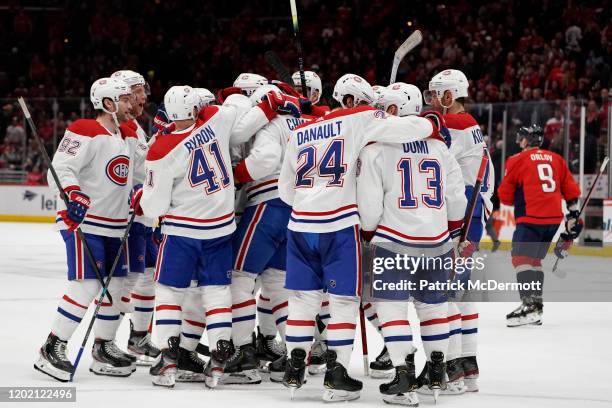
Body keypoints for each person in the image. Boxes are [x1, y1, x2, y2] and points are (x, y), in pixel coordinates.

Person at [277, 73, 447, 402]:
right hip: (339, 226)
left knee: (302, 299)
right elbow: (406, 128)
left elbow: (286, 190)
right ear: (353, 100)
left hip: (300, 225)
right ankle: (336, 375)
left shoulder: (301, 130)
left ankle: (295, 364)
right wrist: (433, 122)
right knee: (342, 302)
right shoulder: (361, 118)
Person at [132, 85, 299, 388]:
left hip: (182, 231)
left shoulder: (161, 148)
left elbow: (154, 205)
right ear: (195, 108)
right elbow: (243, 126)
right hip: (221, 229)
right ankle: (222, 352)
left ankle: (170, 359)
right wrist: (269, 105)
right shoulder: (215, 119)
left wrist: (142, 197)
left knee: (171, 291)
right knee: (218, 291)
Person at [357, 82, 468, 405]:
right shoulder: (439, 148)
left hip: (394, 241)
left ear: (391, 111)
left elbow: (369, 206)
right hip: (437, 242)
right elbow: (456, 200)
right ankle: (435, 374)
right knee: (433, 308)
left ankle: (403, 377)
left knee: (391, 309)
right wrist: (447, 232)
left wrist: (367, 235)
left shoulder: (375, 149)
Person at [34, 77, 139, 381]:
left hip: (116, 225)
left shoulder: (128, 134)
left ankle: (103, 347)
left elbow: (143, 172)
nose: (129, 103)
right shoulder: (84, 128)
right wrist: (73, 193)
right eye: (123, 98)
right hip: (85, 221)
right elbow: (61, 168)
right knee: (86, 285)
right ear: (107, 103)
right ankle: (51, 347)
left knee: (117, 288)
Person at [225, 84, 310, 384]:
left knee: (239, 276)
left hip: (268, 205)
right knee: (278, 282)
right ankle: (294, 354)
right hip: (298, 210)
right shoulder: (308, 125)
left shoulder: (273, 124)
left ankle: (244, 353)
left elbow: (263, 160)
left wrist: (234, 175)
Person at [423, 69, 495, 393]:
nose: (434, 100)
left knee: (446, 291)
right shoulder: (473, 125)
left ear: (449, 96)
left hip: (459, 214)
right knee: (462, 292)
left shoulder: (454, 125)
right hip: (474, 211)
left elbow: (433, 160)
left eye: (437, 94)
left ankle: (449, 367)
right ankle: (469, 364)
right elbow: (489, 172)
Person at [498, 125, 581, 327]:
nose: (519, 142)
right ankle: (537, 307)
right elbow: (571, 192)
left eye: (521, 138)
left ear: (527, 140)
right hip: (553, 219)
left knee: (521, 260)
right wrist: (573, 215)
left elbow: (505, 196)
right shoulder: (557, 159)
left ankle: (529, 307)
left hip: (530, 216)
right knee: (534, 261)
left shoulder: (516, 160)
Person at [110, 69, 161, 366]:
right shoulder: (121, 127)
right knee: (126, 282)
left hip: (142, 217)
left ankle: (139, 338)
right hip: (128, 217)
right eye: (139, 91)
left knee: (147, 278)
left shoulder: (134, 127)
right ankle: (105, 342)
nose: (144, 97)